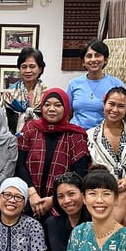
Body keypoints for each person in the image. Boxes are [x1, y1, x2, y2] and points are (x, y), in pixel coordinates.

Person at [16, 88, 90, 219]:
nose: (51, 109)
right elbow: (19, 165)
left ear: (66, 108)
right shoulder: (30, 129)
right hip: (29, 196)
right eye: (47, 105)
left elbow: (79, 174)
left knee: (53, 226)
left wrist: (53, 199)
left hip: (63, 201)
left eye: (58, 105)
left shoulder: (76, 135)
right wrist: (32, 194)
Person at [87, 87, 126, 227]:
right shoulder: (91, 135)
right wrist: (115, 184)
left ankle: (99, 237)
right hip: (104, 189)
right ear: (104, 104)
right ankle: (113, 241)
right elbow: (94, 169)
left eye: (121, 106)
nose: (115, 110)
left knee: (122, 197)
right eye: (111, 104)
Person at [67, 39, 125, 129]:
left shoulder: (116, 84)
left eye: (98, 55)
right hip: (76, 133)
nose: (93, 59)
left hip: (104, 133)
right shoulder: (74, 84)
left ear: (105, 60)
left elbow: (123, 113)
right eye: (89, 56)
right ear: (83, 62)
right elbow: (67, 114)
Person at [1, 47, 48, 133]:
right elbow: (3, 121)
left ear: (40, 69)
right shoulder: (9, 94)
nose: (28, 70)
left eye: (32, 66)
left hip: (42, 137)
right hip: (13, 137)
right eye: (24, 67)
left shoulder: (47, 94)